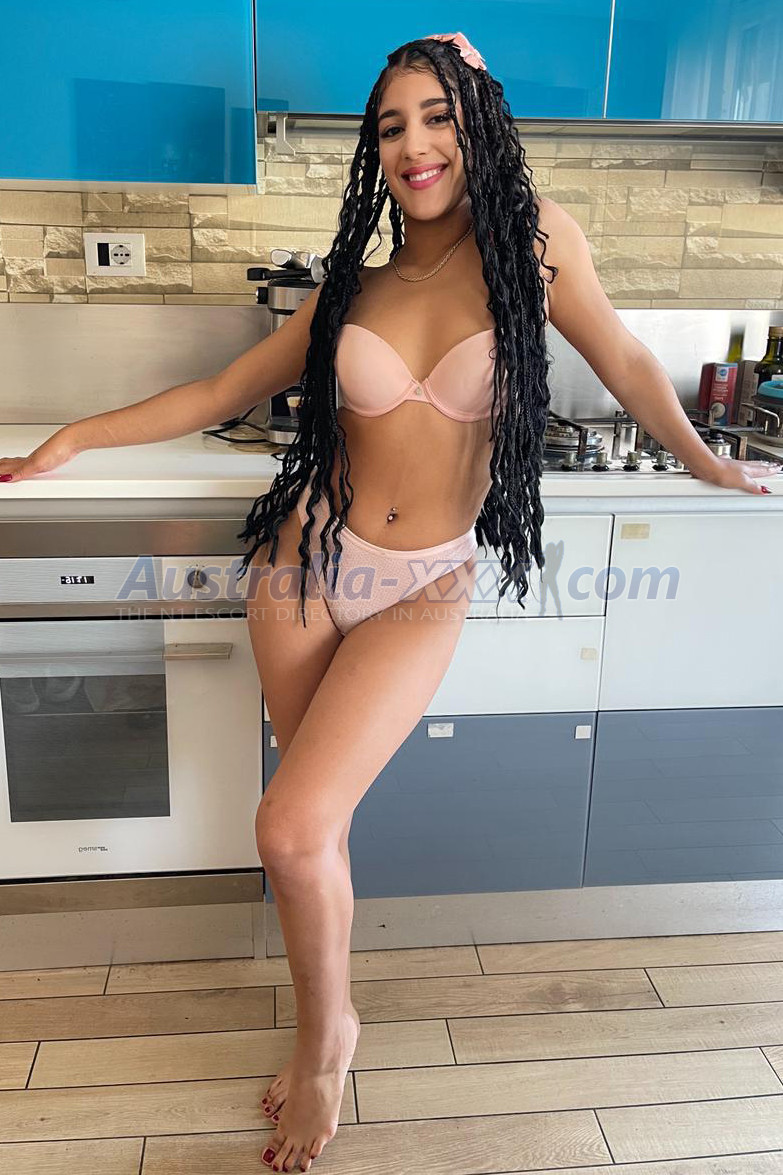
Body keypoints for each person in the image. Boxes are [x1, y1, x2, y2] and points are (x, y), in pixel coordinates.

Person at [1, 31, 780, 1174]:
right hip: (307, 561)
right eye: (392, 126)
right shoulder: (356, 284)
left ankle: (329, 1041)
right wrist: (72, 437)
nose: (415, 145)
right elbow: (224, 386)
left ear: (478, 124)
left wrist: (705, 458)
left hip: (424, 579)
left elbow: (620, 358)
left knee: (290, 824)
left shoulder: (535, 245)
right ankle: (327, 1019)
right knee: (311, 827)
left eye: (439, 116)